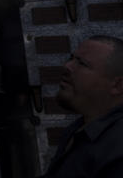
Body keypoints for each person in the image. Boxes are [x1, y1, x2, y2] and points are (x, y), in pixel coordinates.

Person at [43, 35, 123, 177]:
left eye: (82, 63)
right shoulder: (79, 129)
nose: (67, 66)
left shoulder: (117, 145)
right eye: (71, 58)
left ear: (117, 85)